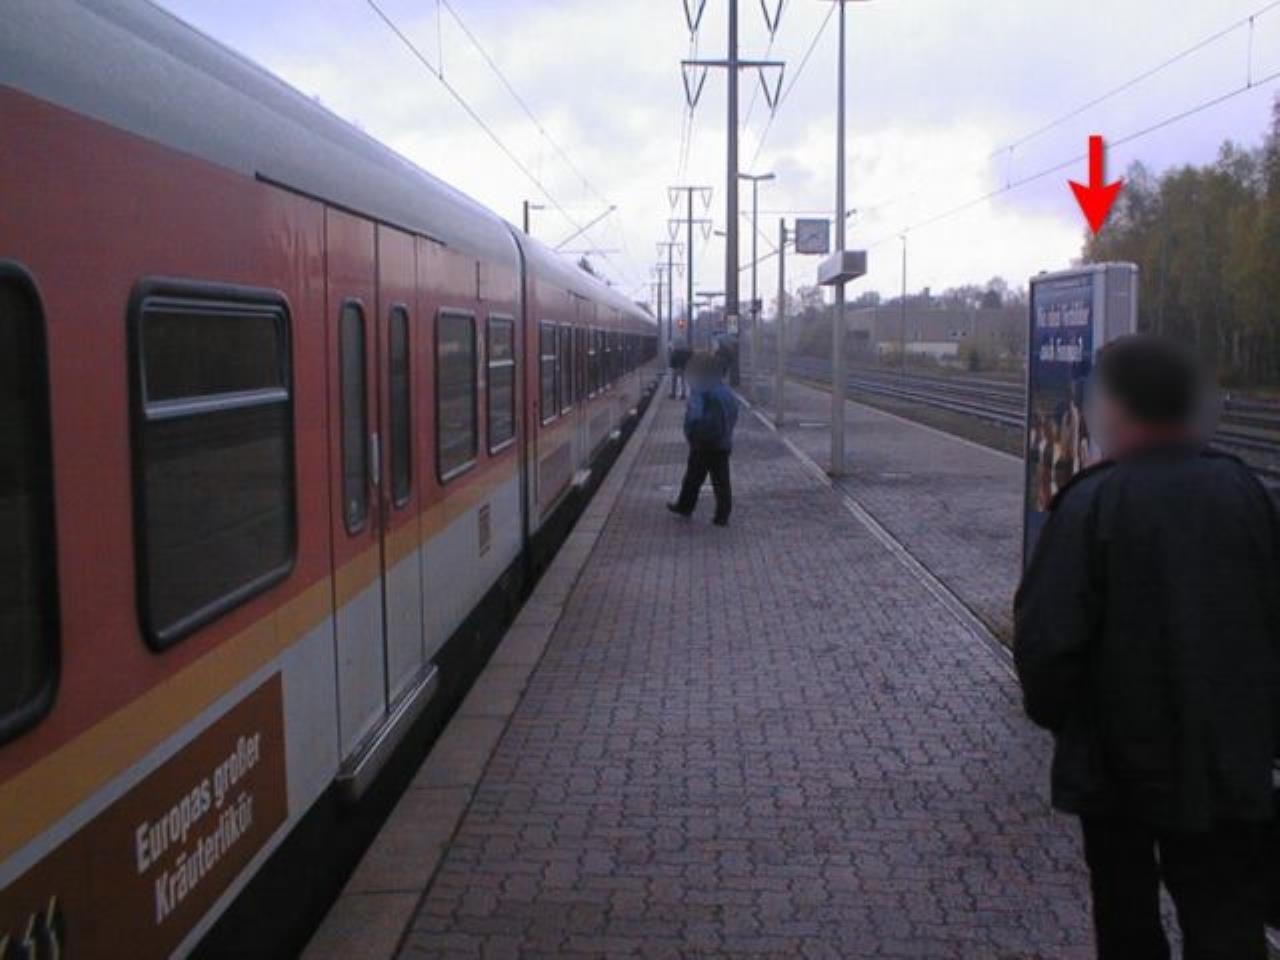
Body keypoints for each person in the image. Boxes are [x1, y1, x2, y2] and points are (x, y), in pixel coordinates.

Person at [1014, 335, 1280, 960]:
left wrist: (1068, 724)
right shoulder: (1248, 495)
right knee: (1226, 919)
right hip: (1228, 762)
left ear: (1116, 409)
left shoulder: (1090, 503)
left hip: (1117, 772)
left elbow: (1046, 645)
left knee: (1126, 918)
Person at [668, 352, 739, 527]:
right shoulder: (726, 392)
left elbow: (695, 415)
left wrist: (690, 432)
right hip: (723, 443)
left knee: (693, 478)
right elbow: (734, 415)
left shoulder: (702, 390)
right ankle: (722, 516)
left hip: (703, 443)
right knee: (722, 481)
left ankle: (685, 507)